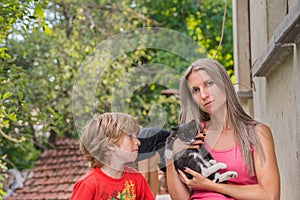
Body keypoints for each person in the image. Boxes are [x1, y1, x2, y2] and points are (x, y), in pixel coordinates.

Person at [165, 58, 280, 199]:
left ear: (224, 84)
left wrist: (210, 185)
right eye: (195, 90)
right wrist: (169, 155)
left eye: (209, 84)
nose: (203, 95)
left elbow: (270, 195)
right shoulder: (192, 137)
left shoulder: (257, 133)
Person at [70, 112, 155, 200]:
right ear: (109, 144)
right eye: (130, 136)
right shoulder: (89, 184)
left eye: (136, 136)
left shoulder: (137, 179)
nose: (138, 142)